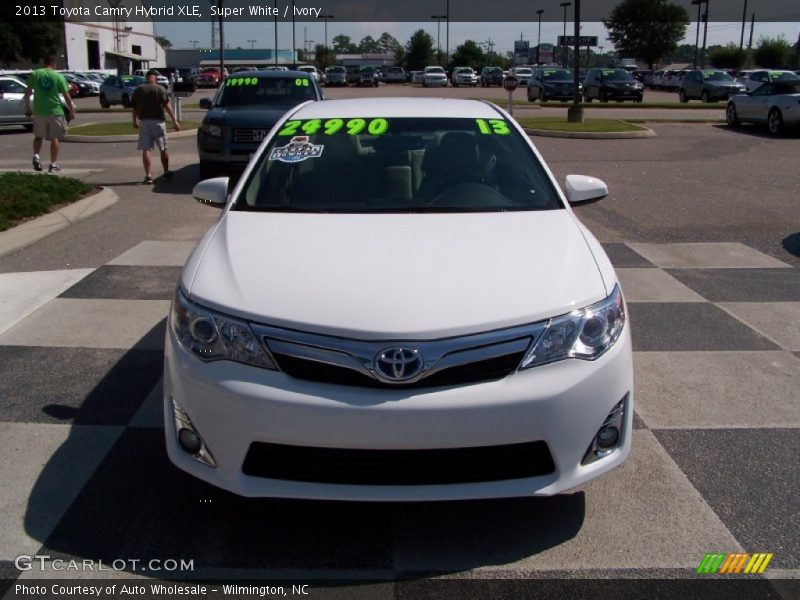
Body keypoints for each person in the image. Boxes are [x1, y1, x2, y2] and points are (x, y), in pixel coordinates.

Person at [23, 55, 75, 173]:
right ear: (54, 64)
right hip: (55, 111)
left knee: (38, 136)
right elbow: (67, 96)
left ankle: (36, 155)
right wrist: (71, 110)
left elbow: (27, 92)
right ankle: (53, 164)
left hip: (39, 111)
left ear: (44, 63)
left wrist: (27, 108)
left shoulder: (35, 74)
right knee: (54, 138)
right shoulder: (58, 76)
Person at [131, 69, 181, 184]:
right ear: (155, 78)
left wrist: (134, 121)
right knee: (163, 147)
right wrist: (175, 121)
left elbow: (134, 107)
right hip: (158, 122)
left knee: (146, 149)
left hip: (144, 122)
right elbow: (167, 105)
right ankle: (166, 171)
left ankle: (148, 175)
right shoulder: (160, 89)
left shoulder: (139, 89)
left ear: (147, 77)